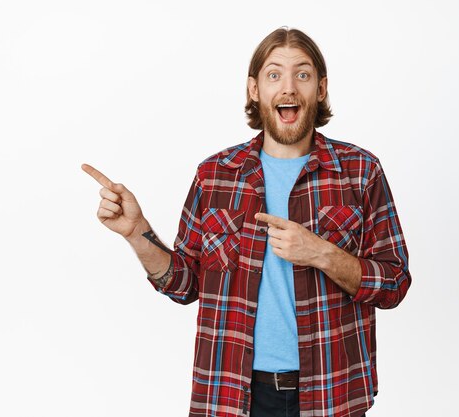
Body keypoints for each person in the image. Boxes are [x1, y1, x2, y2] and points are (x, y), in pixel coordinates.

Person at [82, 27, 411, 417]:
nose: (288, 88)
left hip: (331, 392)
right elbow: (185, 283)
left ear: (320, 89)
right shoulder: (216, 175)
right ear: (254, 90)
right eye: (274, 75)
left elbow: (393, 283)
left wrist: (322, 253)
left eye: (302, 75)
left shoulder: (360, 172)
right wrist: (137, 233)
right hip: (231, 394)